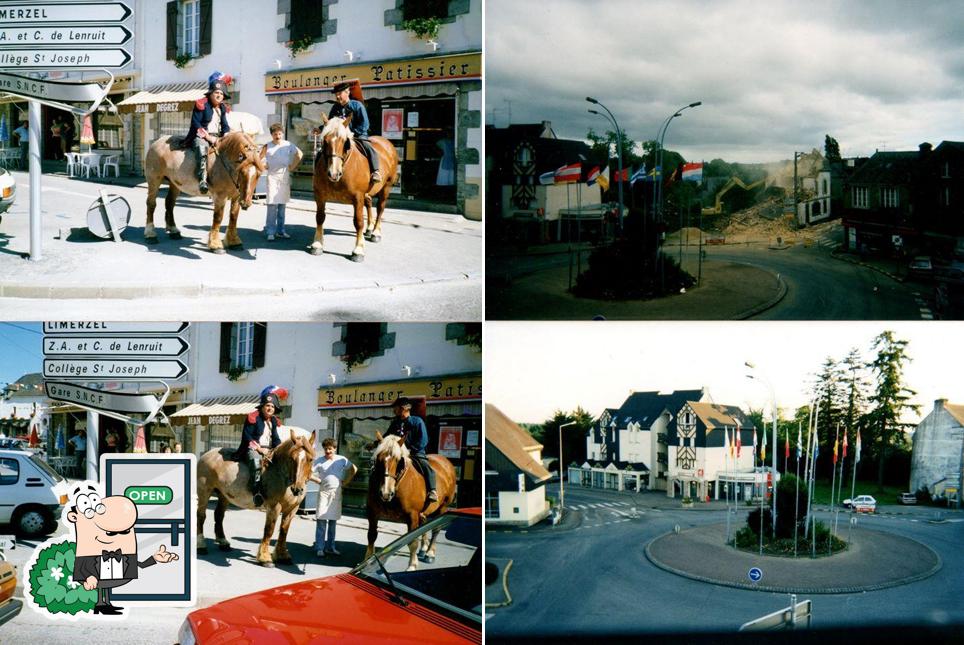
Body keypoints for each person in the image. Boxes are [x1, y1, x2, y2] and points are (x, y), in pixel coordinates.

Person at [68, 484, 179, 615]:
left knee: (106, 585)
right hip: (96, 576)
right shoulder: (87, 554)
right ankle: (100, 604)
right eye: (110, 533)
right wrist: (88, 577)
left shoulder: (123, 555)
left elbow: (140, 565)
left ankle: (105, 604)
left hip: (110, 574)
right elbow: (82, 568)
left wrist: (154, 559)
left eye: (125, 531)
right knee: (102, 585)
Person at [328, 80, 381, 184]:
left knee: (368, 146)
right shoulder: (335, 107)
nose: (337, 97)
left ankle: (376, 171)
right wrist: (321, 129)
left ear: (347, 92)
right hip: (341, 137)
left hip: (358, 135)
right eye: (336, 94)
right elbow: (330, 123)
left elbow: (365, 124)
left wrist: (352, 133)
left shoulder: (357, 105)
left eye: (339, 94)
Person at [185, 77, 232, 194]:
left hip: (218, 137)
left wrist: (226, 136)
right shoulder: (201, 104)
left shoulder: (222, 107)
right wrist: (207, 137)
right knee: (202, 148)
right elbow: (196, 124)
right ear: (211, 93)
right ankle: (202, 179)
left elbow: (225, 125)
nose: (219, 95)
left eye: (221, 93)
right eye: (216, 92)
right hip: (202, 135)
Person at [235, 390, 282, 506]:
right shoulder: (253, 417)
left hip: (269, 450)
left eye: (272, 406)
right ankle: (256, 493)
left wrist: (280, 448)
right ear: (262, 407)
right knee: (256, 464)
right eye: (267, 405)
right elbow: (247, 436)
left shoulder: (274, 421)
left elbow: (276, 438)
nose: (270, 408)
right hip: (253, 448)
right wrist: (259, 449)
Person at [312, 438, 357, 557]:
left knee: (332, 522)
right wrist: (318, 480)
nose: (327, 451)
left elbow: (354, 469)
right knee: (321, 521)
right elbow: (308, 472)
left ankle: (331, 547)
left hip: (336, 493)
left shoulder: (341, 460)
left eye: (330, 449)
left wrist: (346, 481)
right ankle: (320, 548)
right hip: (324, 493)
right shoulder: (319, 461)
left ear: (334, 449)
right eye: (326, 449)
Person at [386, 397, 437, 501]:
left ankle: (432, 490)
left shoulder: (417, 421)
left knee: (426, 466)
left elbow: (423, 440)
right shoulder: (395, 423)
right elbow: (387, 436)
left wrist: (410, 450)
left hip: (415, 453)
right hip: (397, 453)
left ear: (403, 408)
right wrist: (375, 444)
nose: (393, 411)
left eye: (395, 408)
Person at [260, 123, 303, 241]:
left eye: (279, 134)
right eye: (275, 134)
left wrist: (292, 167)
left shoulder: (288, 144)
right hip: (272, 177)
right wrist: (264, 165)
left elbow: (299, 154)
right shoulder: (267, 146)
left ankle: (281, 230)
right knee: (272, 204)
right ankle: (270, 231)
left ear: (282, 134)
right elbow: (258, 159)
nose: (277, 136)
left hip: (284, 176)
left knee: (282, 205)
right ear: (271, 135)